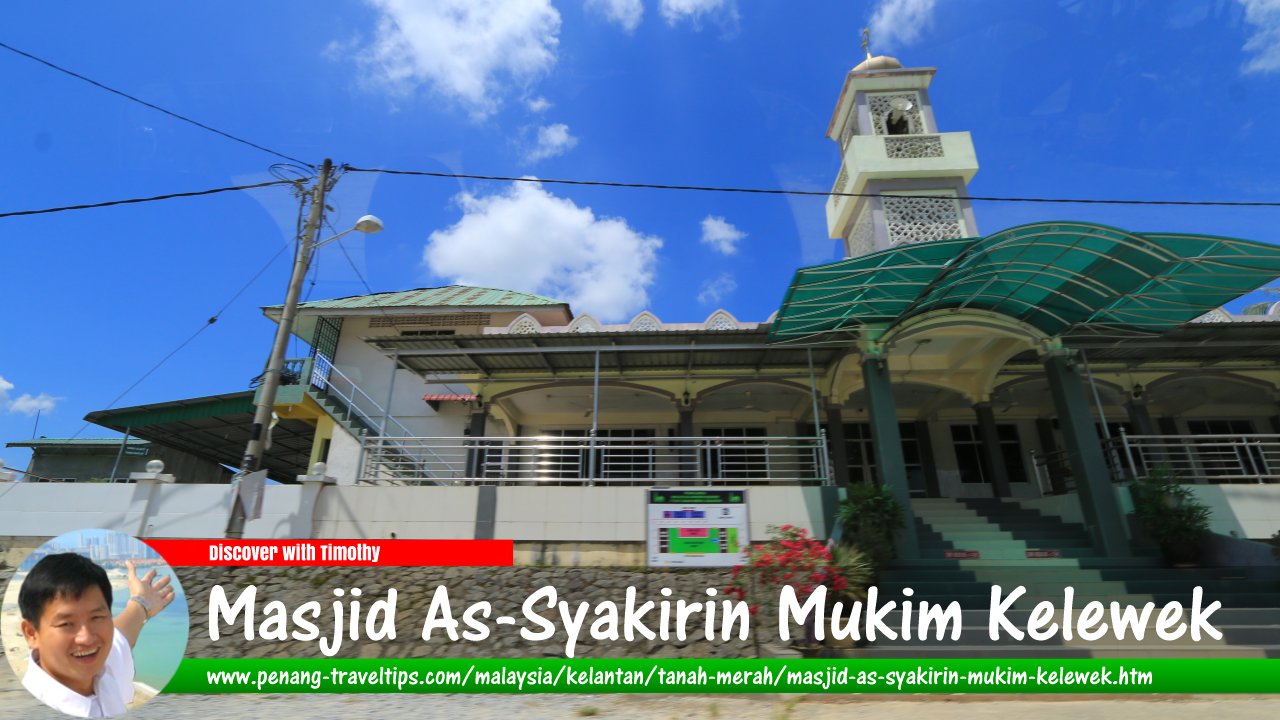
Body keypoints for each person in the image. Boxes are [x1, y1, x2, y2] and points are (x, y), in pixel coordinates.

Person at [18, 553, 176, 718]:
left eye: (96, 617)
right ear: (31, 633)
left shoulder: (103, 668)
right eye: (66, 624)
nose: (86, 638)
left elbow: (121, 636)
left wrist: (142, 603)